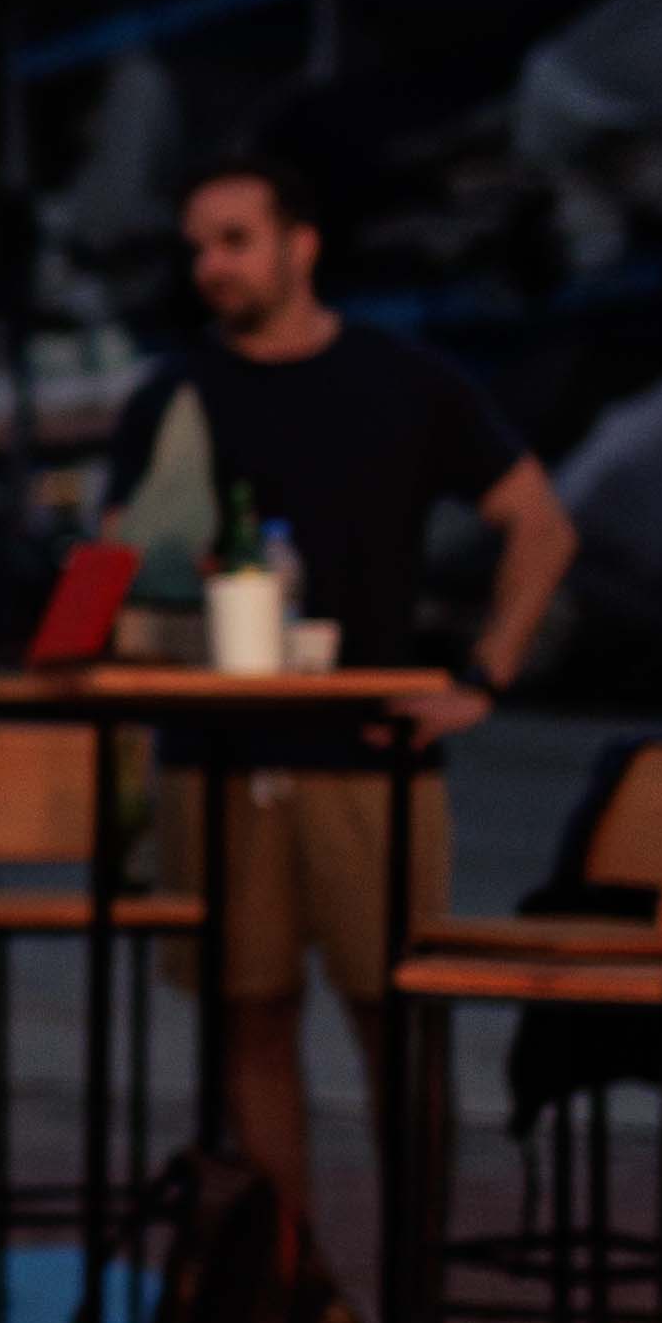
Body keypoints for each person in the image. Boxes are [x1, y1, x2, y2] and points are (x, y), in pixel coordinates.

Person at [100, 150, 578, 1259]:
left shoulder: (401, 380)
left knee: (396, 1022)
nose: (212, 266)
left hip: (368, 755)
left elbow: (541, 524)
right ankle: (285, 1290)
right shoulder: (173, 395)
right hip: (215, 758)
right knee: (249, 1020)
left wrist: (484, 677)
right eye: (198, 247)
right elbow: (115, 565)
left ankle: (415, 1293)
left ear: (299, 244)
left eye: (235, 240)